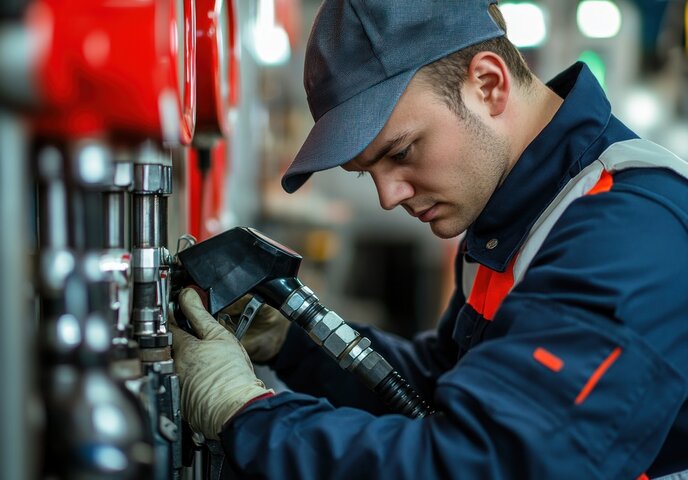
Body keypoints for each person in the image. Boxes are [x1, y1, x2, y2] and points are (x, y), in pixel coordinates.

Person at [169, 0, 688, 478]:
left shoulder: (625, 231)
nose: (388, 196)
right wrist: (291, 342)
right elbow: (439, 390)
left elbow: (490, 462)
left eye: (401, 152)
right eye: (366, 172)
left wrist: (247, 413)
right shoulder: (514, 218)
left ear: (488, 85)